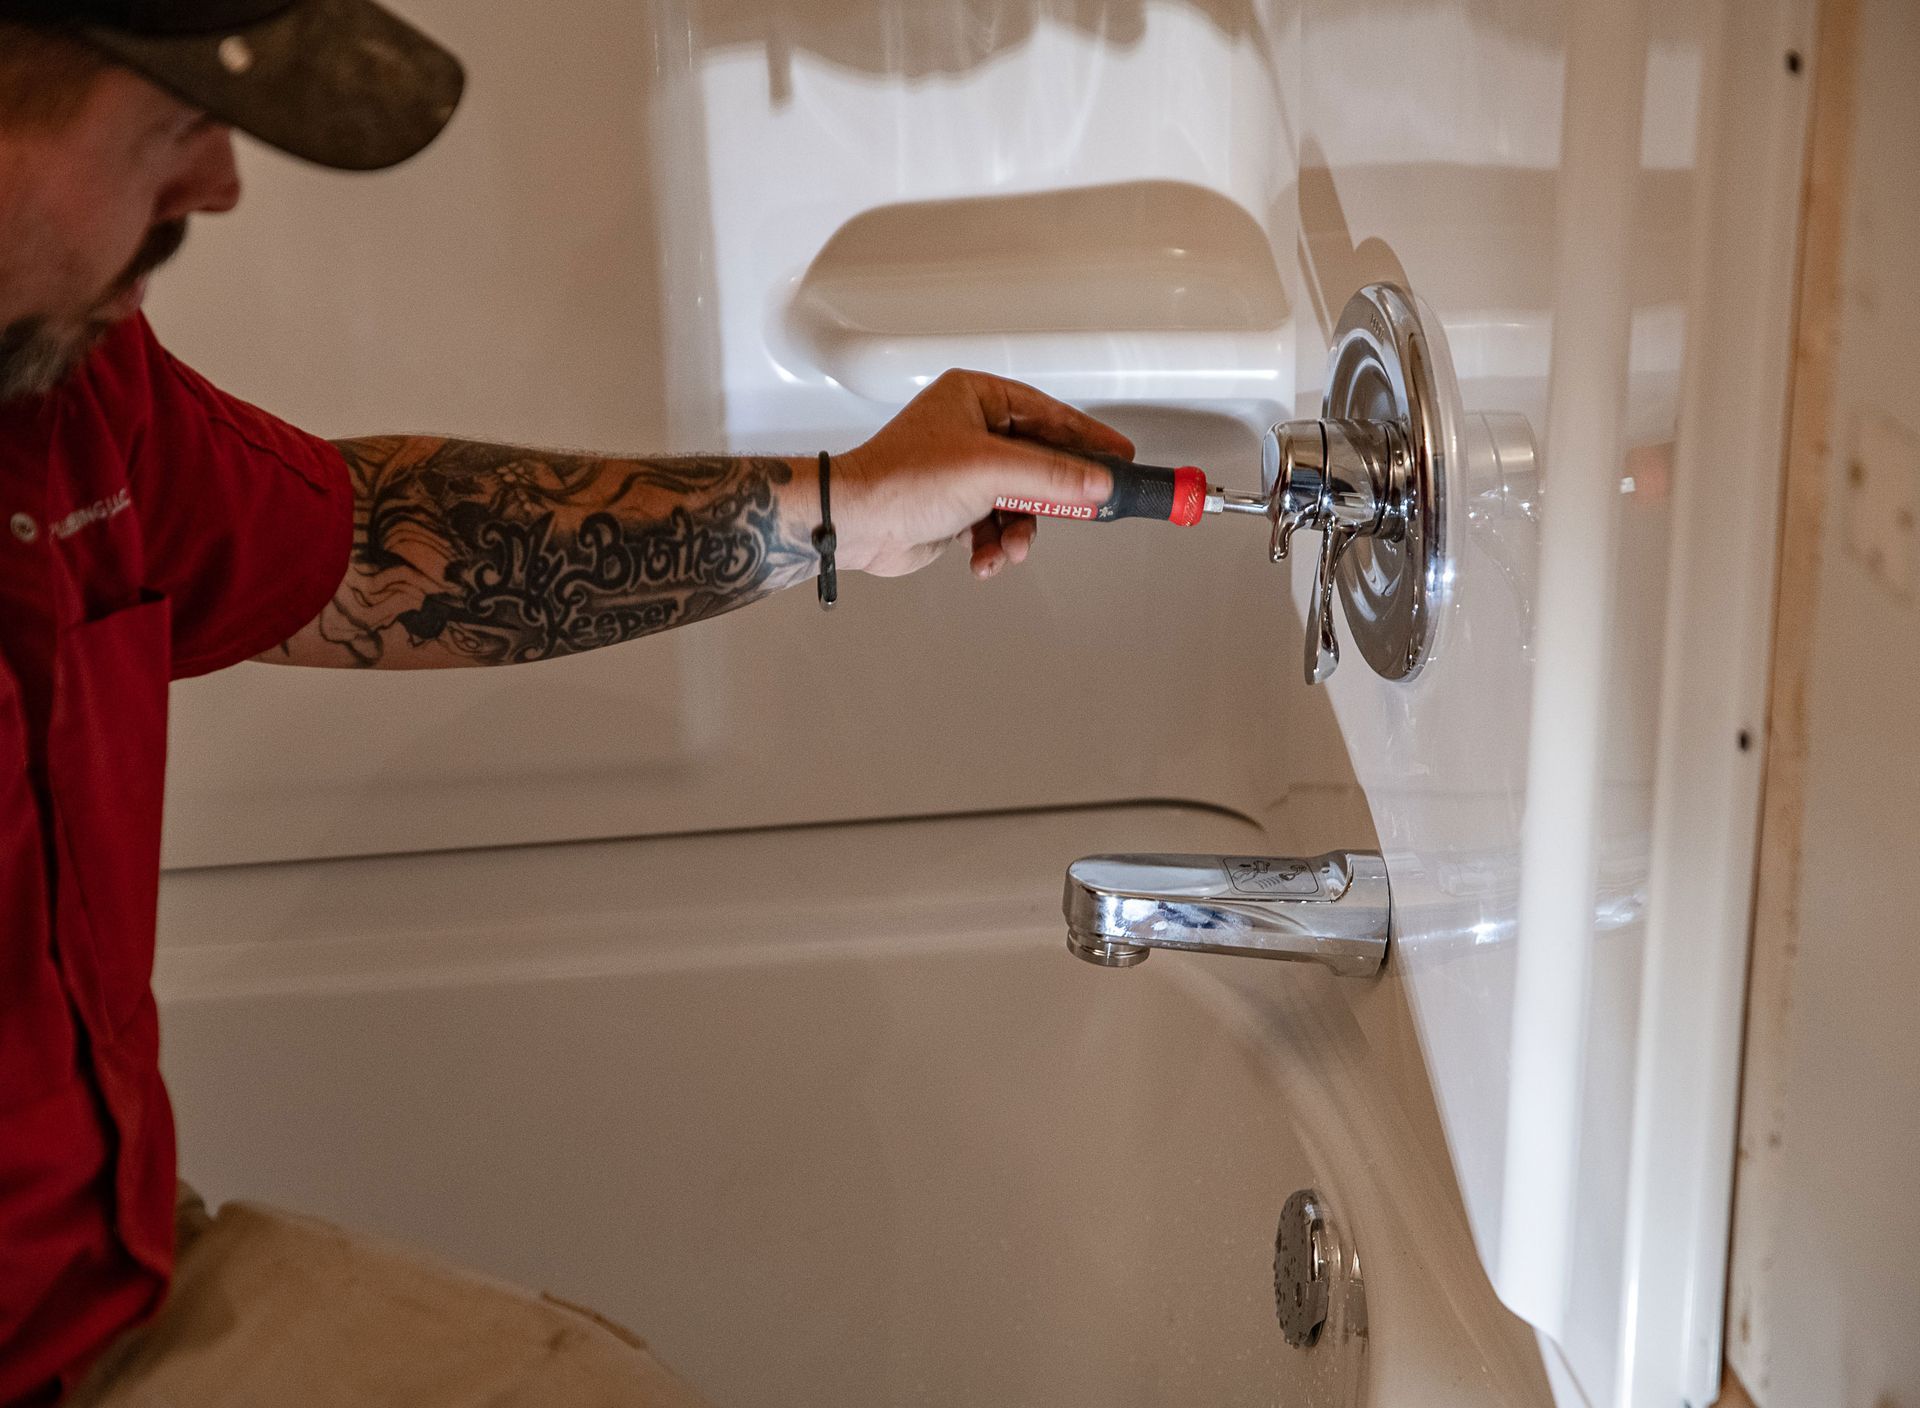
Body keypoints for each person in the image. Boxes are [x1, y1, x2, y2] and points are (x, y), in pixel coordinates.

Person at [0, 2, 1134, 1402]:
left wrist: (843, 509)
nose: (221, 182)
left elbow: (361, 546)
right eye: (172, 124)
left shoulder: (62, 388)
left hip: (99, 1290)